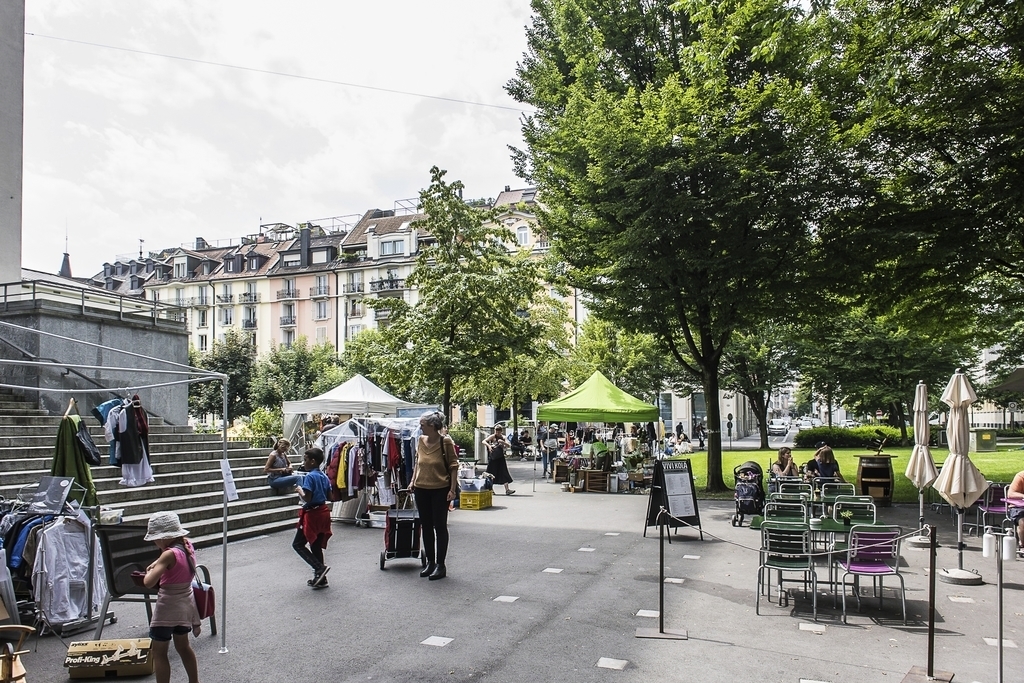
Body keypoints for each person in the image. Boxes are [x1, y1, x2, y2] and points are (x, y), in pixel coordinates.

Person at [142, 511, 201, 683]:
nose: (154, 543)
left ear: (163, 537)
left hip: (167, 610)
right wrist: (158, 563)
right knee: (183, 647)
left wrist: (151, 571)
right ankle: (194, 681)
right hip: (185, 606)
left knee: (159, 653)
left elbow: (148, 582)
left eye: (155, 539)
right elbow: (171, 562)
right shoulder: (187, 546)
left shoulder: (168, 555)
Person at [410, 410, 459, 580]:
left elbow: (453, 466)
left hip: (440, 489)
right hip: (421, 489)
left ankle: (440, 565)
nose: (420, 427)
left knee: (440, 526)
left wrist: (452, 490)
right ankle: (430, 562)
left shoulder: (445, 441)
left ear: (432, 426)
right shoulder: (421, 441)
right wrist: (412, 481)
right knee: (426, 526)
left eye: (422, 425)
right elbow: (417, 462)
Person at [293, 447, 332, 588]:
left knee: (297, 544)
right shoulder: (324, 476)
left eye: (305, 460)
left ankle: (318, 568)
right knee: (315, 545)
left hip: (312, 514)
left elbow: (307, 498)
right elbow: (330, 496)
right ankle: (321, 579)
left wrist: (299, 490)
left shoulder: (310, 477)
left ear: (313, 461)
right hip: (323, 512)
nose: (304, 463)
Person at [483, 425, 515, 494]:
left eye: (498, 431)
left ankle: (507, 490)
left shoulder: (503, 437)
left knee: (504, 472)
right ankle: (491, 489)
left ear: (501, 431)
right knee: (491, 472)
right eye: (496, 431)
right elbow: (484, 441)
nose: (497, 433)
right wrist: (488, 446)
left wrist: (503, 442)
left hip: (500, 457)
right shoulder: (493, 436)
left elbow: (509, 445)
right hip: (493, 458)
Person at [1007, 469, 1024, 554]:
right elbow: (1011, 494)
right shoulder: (1021, 476)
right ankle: (1022, 546)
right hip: (1018, 507)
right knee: (1022, 521)